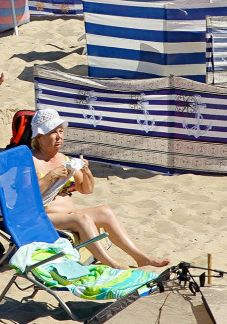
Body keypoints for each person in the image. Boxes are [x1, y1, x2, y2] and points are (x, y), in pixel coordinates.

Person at [30, 109, 169, 270]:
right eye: (53, 132)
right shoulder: (30, 160)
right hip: (45, 217)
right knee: (82, 220)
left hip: (68, 215)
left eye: (61, 131)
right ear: (39, 137)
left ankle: (141, 257)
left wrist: (86, 172)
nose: (59, 136)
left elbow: (86, 190)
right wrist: (50, 177)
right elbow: (26, 198)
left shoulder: (64, 159)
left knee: (105, 211)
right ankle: (112, 264)